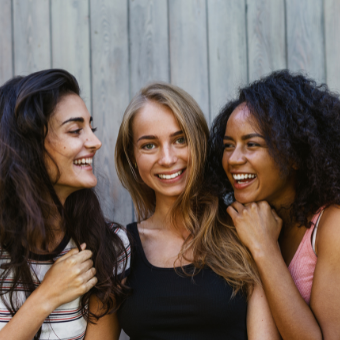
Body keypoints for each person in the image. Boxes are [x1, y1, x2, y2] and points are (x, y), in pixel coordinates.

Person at [91, 82, 279, 340]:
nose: (167, 159)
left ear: (199, 143)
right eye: (149, 145)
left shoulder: (244, 230)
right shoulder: (118, 250)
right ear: (132, 157)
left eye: (180, 140)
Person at [207, 70, 340, 339]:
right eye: (228, 145)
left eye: (251, 144)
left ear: (294, 155)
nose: (233, 159)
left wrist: (265, 248)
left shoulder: (332, 225)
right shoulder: (247, 220)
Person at [0, 69, 130, 340]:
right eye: (75, 130)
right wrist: (47, 295)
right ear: (30, 145)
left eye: (90, 129)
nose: (95, 142)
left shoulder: (109, 247)